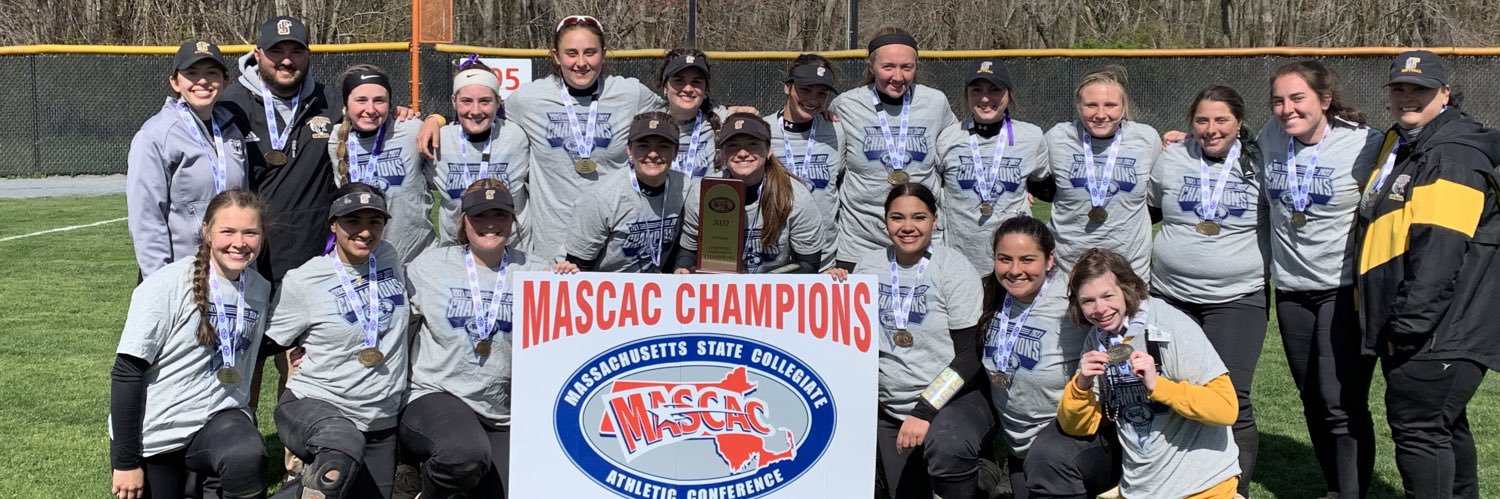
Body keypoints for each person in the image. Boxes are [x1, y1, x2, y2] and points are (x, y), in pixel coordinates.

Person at [1357, 50, 1500, 499]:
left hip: (1437, 330)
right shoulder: (1405, 141)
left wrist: (1409, 326)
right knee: (1443, 426)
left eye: (1418, 89)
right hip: (1434, 327)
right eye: (1398, 87)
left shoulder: (1451, 155)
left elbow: (1440, 253)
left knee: (1419, 430)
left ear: (1445, 93)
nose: (1406, 97)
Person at [435, 15, 663, 263]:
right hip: (553, 241)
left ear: (604, 53)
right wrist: (436, 119)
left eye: (590, 52)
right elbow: (480, 114)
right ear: (555, 55)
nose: (581, 62)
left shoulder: (630, 93)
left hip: (614, 237)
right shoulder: (529, 98)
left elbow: (678, 116)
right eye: (571, 53)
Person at [1261, 60, 1381, 499]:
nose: (1286, 109)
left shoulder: (1363, 143)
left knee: (1339, 400)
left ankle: (1352, 493)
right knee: (1311, 398)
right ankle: (1335, 487)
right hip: (1292, 291)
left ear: (1325, 101)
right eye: (1278, 100)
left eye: (1297, 98)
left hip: (1342, 288)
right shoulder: (1269, 137)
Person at [829, 183, 988, 499]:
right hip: (891, 407)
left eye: (919, 217)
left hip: (946, 404)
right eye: (897, 218)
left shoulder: (953, 268)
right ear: (885, 221)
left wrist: (924, 411)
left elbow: (969, 356)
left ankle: (980, 472)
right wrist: (835, 288)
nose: (907, 227)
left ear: (935, 220)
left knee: (948, 455)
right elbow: (851, 335)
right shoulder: (869, 265)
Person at [109, 190, 271, 499]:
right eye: (228, 231)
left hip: (219, 422)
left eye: (250, 232)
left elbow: (254, 342)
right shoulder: (166, 284)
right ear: (206, 231)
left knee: (246, 455)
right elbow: (127, 372)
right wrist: (125, 462)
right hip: (158, 436)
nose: (239, 242)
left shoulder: (260, 289)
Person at [1043, 248, 1240, 498]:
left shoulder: (1171, 325)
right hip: (1141, 488)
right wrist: (1081, 385)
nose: (1099, 309)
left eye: (1107, 296)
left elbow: (1226, 408)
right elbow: (1078, 428)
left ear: (1127, 289)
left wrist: (1158, 386)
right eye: (1088, 301)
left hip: (1202, 487)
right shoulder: (1098, 339)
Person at [1147, 85, 1266, 497]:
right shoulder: (1173, 157)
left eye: (1221, 120)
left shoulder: (1259, 162)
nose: (1211, 129)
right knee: (1163, 389)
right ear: (1189, 123)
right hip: (1169, 296)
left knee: (1231, 397)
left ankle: (1235, 489)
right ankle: (1171, 481)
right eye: (1201, 120)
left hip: (1236, 299)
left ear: (1239, 123)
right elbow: (1150, 206)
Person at [264, 183, 411, 498]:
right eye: (353, 221)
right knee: (333, 471)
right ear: (333, 224)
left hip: (379, 419)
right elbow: (269, 341)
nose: (365, 232)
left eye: (375, 221)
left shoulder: (389, 256)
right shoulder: (305, 279)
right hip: (320, 406)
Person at [402, 180, 545, 498]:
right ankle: (421, 485)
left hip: (499, 412)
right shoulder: (428, 267)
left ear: (514, 219)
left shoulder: (538, 272)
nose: (491, 224)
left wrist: (571, 281)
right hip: (436, 395)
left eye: (500, 215)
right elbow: (382, 315)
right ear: (462, 219)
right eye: (480, 215)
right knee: (463, 454)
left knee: (519, 491)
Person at [831, 27, 959, 270]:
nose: (898, 76)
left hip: (921, 241)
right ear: (871, 66)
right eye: (888, 66)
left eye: (906, 67)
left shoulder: (935, 102)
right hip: (860, 243)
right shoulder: (846, 105)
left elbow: (957, 151)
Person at [978, 216, 1085, 499]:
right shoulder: (991, 292)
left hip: (1067, 441)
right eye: (1005, 259)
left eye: (1027, 260)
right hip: (1018, 443)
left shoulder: (1074, 301)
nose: (1015, 271)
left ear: (1050, 260)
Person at [127, 40, 249, 278]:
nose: (202, 81)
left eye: (211, 73)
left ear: (225, 81)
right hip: (181, 275)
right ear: (175, 82)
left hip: (230, 272)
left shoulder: (231, 131)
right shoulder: (156, 134)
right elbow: (147, 220)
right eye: (191, 73)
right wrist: (159, 282)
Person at [1042, 66, 1161, 278]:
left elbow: (1159, 194)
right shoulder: (1057, 137)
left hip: (1128, 270)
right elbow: (1034, 174)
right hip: (1067, 269)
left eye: (1110, 105)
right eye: (1091, 105)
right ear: (1079, 107)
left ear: (1124, 108)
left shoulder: (1146, 139)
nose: (1100, 114)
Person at [936, 59, 1050, 274]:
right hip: (960, 259)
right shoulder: (947, 138)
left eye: (995, 90)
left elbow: (1041, 184)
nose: (985, 98)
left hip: (1015, 261)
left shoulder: (1031, 136)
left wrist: (1024, 190)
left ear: (1008, 94)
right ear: (966, 95)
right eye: (976, 90)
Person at [675, 113, 827, 274]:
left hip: (771, 290)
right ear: (723, 153)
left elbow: (808, 264)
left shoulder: (795, 196)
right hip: (720, 285)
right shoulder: (704, 193)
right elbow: (689, 251)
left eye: (752, 144)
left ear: (768, 151)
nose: (742, 153)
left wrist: (757, 286)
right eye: (733, 145)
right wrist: (682, 268)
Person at [553, 112, 686, 273]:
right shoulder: (601, 198)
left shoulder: (685, 187)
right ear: (629, 150)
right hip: (603, 287)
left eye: (663, 146)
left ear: (676, 152)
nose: (652, 154)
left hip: (651, 288)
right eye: (643, 146)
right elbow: (579, 266)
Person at [328, 65, 431, 264]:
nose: (371, 109)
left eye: (379, 100)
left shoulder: (411, 130)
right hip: (363, 257)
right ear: (346, 104)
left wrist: (436, 119)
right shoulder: (336, 139)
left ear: (390, 103)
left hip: (416, 257)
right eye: (361, 100)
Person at [431, 59, 531, 248]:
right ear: (453, 101)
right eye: (466, 101)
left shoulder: (517, 136)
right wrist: (433, 119)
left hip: (513, 255)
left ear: (498, 102)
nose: (475, 111)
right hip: (456, 253)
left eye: (485, 101)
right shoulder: (438, 140)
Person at [765, 54, 844, 243]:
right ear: (787, 86)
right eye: (805, 90)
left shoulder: (836, 131)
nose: (812, 99)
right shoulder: (763, 131)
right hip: (775, 254)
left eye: (821, 94)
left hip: (826, 255)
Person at [659, 48, 727, 179]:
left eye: (696, 82)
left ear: (706, 88)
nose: (688, 89)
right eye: (679, 81)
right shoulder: (650, 124)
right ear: (665, 87)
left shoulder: (724, 121)